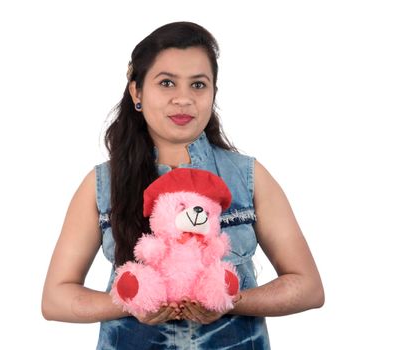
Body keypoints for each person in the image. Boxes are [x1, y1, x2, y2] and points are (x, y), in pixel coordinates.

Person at [42, 21, 324, 349]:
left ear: (214, 92)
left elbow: (308, 288)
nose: (183, 99)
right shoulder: (103, 183)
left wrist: (229, 299)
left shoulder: (248, 177)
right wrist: (133, 302)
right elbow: (55, 298)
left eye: (198, 85)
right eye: (166, 83)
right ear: (137, 91)